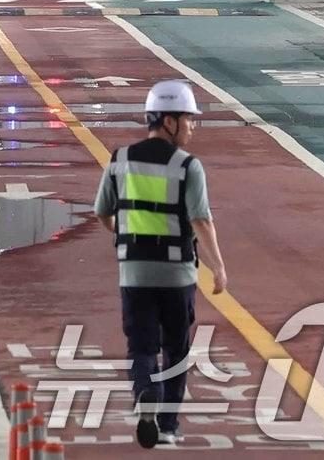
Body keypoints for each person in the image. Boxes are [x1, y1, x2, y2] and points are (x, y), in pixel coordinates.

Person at [94, 79, 228, 449]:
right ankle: (168, 425)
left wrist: (124, 236)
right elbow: (201, 220)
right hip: (176, 274)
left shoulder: (120, 160)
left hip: (134, 272)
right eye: (188, 119)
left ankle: (143, 394)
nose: (192, 126)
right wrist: (218, 266)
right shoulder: (188, 166)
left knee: (140, 346)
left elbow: (102, 212)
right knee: (176, 349)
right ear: (169, 121)